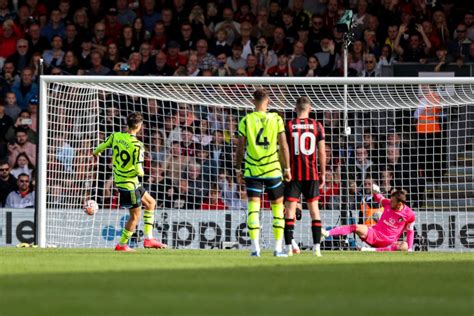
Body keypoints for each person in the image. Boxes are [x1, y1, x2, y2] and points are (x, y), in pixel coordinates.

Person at [93, 112, 166, 251]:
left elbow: (98, 149)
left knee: (151, 203)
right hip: (129, 184)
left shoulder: (116, 136)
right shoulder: (138, 145)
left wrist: (97, 152)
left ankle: (149, 239)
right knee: (135, 217)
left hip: (126, 181)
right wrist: (144, 172)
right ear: (139, 126)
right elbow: (139, 170)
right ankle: (122, 245)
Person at [235, 88, 291, 257]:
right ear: (268, 102)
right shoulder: (276, 119)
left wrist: (238, 168)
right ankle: (277, 248)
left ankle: (255, 249)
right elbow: (283, 145)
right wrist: (287, 168)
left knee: (253, 209)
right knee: (277, 209)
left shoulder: (246, 120)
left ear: (253, 102)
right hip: (273, 169)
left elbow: (240, 147)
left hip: (252, 170)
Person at [283, 97, 326, 257]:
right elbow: (322, 151)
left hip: (293, 174)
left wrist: (285, 169)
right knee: (314, 211)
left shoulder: (288, 125)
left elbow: (284, 149)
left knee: (289, 212)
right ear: (310, 109)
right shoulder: (317, 125)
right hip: (311, 174)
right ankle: (317, 248)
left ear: (295, 109)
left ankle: (288, 248)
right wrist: (322, 173)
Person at [323, 186, 416, 252]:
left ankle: (370, 250)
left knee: (405, 246)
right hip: (374, 234)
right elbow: (379, 198)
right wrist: (375, 191)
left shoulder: (409, 214)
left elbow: (410, 231)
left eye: (392, 201)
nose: (390, 202)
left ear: (399, 204)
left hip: (387, 242)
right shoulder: (388, 203)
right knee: (355, 227)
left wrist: (410, 249)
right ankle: (327, 233)